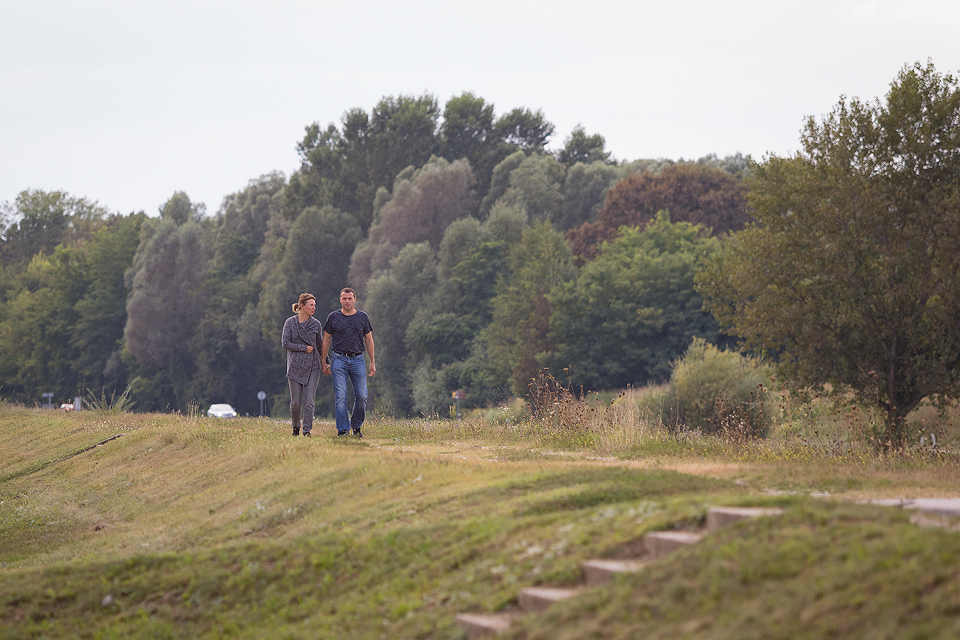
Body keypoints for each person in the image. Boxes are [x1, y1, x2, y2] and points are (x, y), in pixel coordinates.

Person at [321, 288, 376, 437]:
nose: (347, 301)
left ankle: (356, 426)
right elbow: (326, 339)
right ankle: (343, 430)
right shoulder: (333, 317)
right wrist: (323, 361)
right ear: (340, 300)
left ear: (355, 299)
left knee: (362, 396)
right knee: (340, 396)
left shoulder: (363, 317)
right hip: (339, 359)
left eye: (349, 298)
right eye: (344, 298)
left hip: (358, 359)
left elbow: (369, 340)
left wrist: (372, 362)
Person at [282, 293, 322, 437]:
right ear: (302, 306)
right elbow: (285, 343)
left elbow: (320, 346)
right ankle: (296, 427)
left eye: (314, 305)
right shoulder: (290, 323)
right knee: (296, 403)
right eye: (311, 305)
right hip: (294, 366)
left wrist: (326, 363)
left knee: (309, 400)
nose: (314, 308)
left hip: (313, 366)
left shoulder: (316, 324)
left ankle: (307, 431)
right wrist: (304, 348)